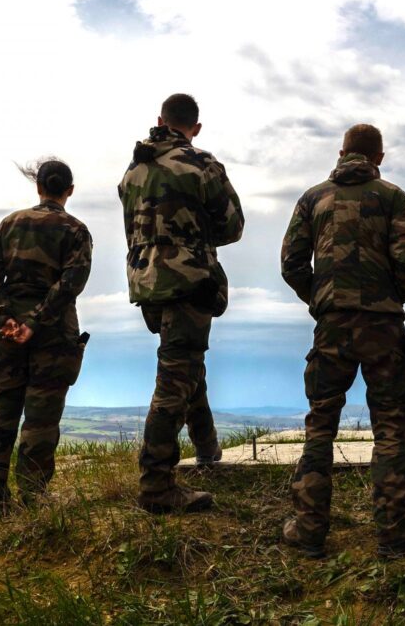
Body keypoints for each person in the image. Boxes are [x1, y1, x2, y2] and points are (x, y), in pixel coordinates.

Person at [280, 123, 405, 559]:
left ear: (342, 152)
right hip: (384, 327)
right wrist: (391, 296)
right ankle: (394, 534)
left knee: (320, 424)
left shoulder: (313, 198)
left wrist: (322, 299)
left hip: (331, 327)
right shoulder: (395, 198)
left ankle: (308, 531)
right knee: (391, 428)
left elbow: (291, 263)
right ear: (379, 157)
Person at [119, 93, 244, 513]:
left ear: (159, 120)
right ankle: (156, 486)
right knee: (175, 380)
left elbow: (132, 232)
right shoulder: (201, 164)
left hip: (147, 284)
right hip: (189, 281)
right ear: (196, 127)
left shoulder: (132, 172)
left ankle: (207, 448)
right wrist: (194, 235)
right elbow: (232, 226)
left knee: (185, 363)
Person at [0, 158, 92, 515]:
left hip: (6, 335)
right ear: (69, 190)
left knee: (1, 412)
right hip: (54, 336)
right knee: (42, 419)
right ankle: (34, 499)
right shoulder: (75, 230)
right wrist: (37, 321)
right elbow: (71, 283)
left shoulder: (8, 225)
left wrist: (5, 320)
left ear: (38, 186)